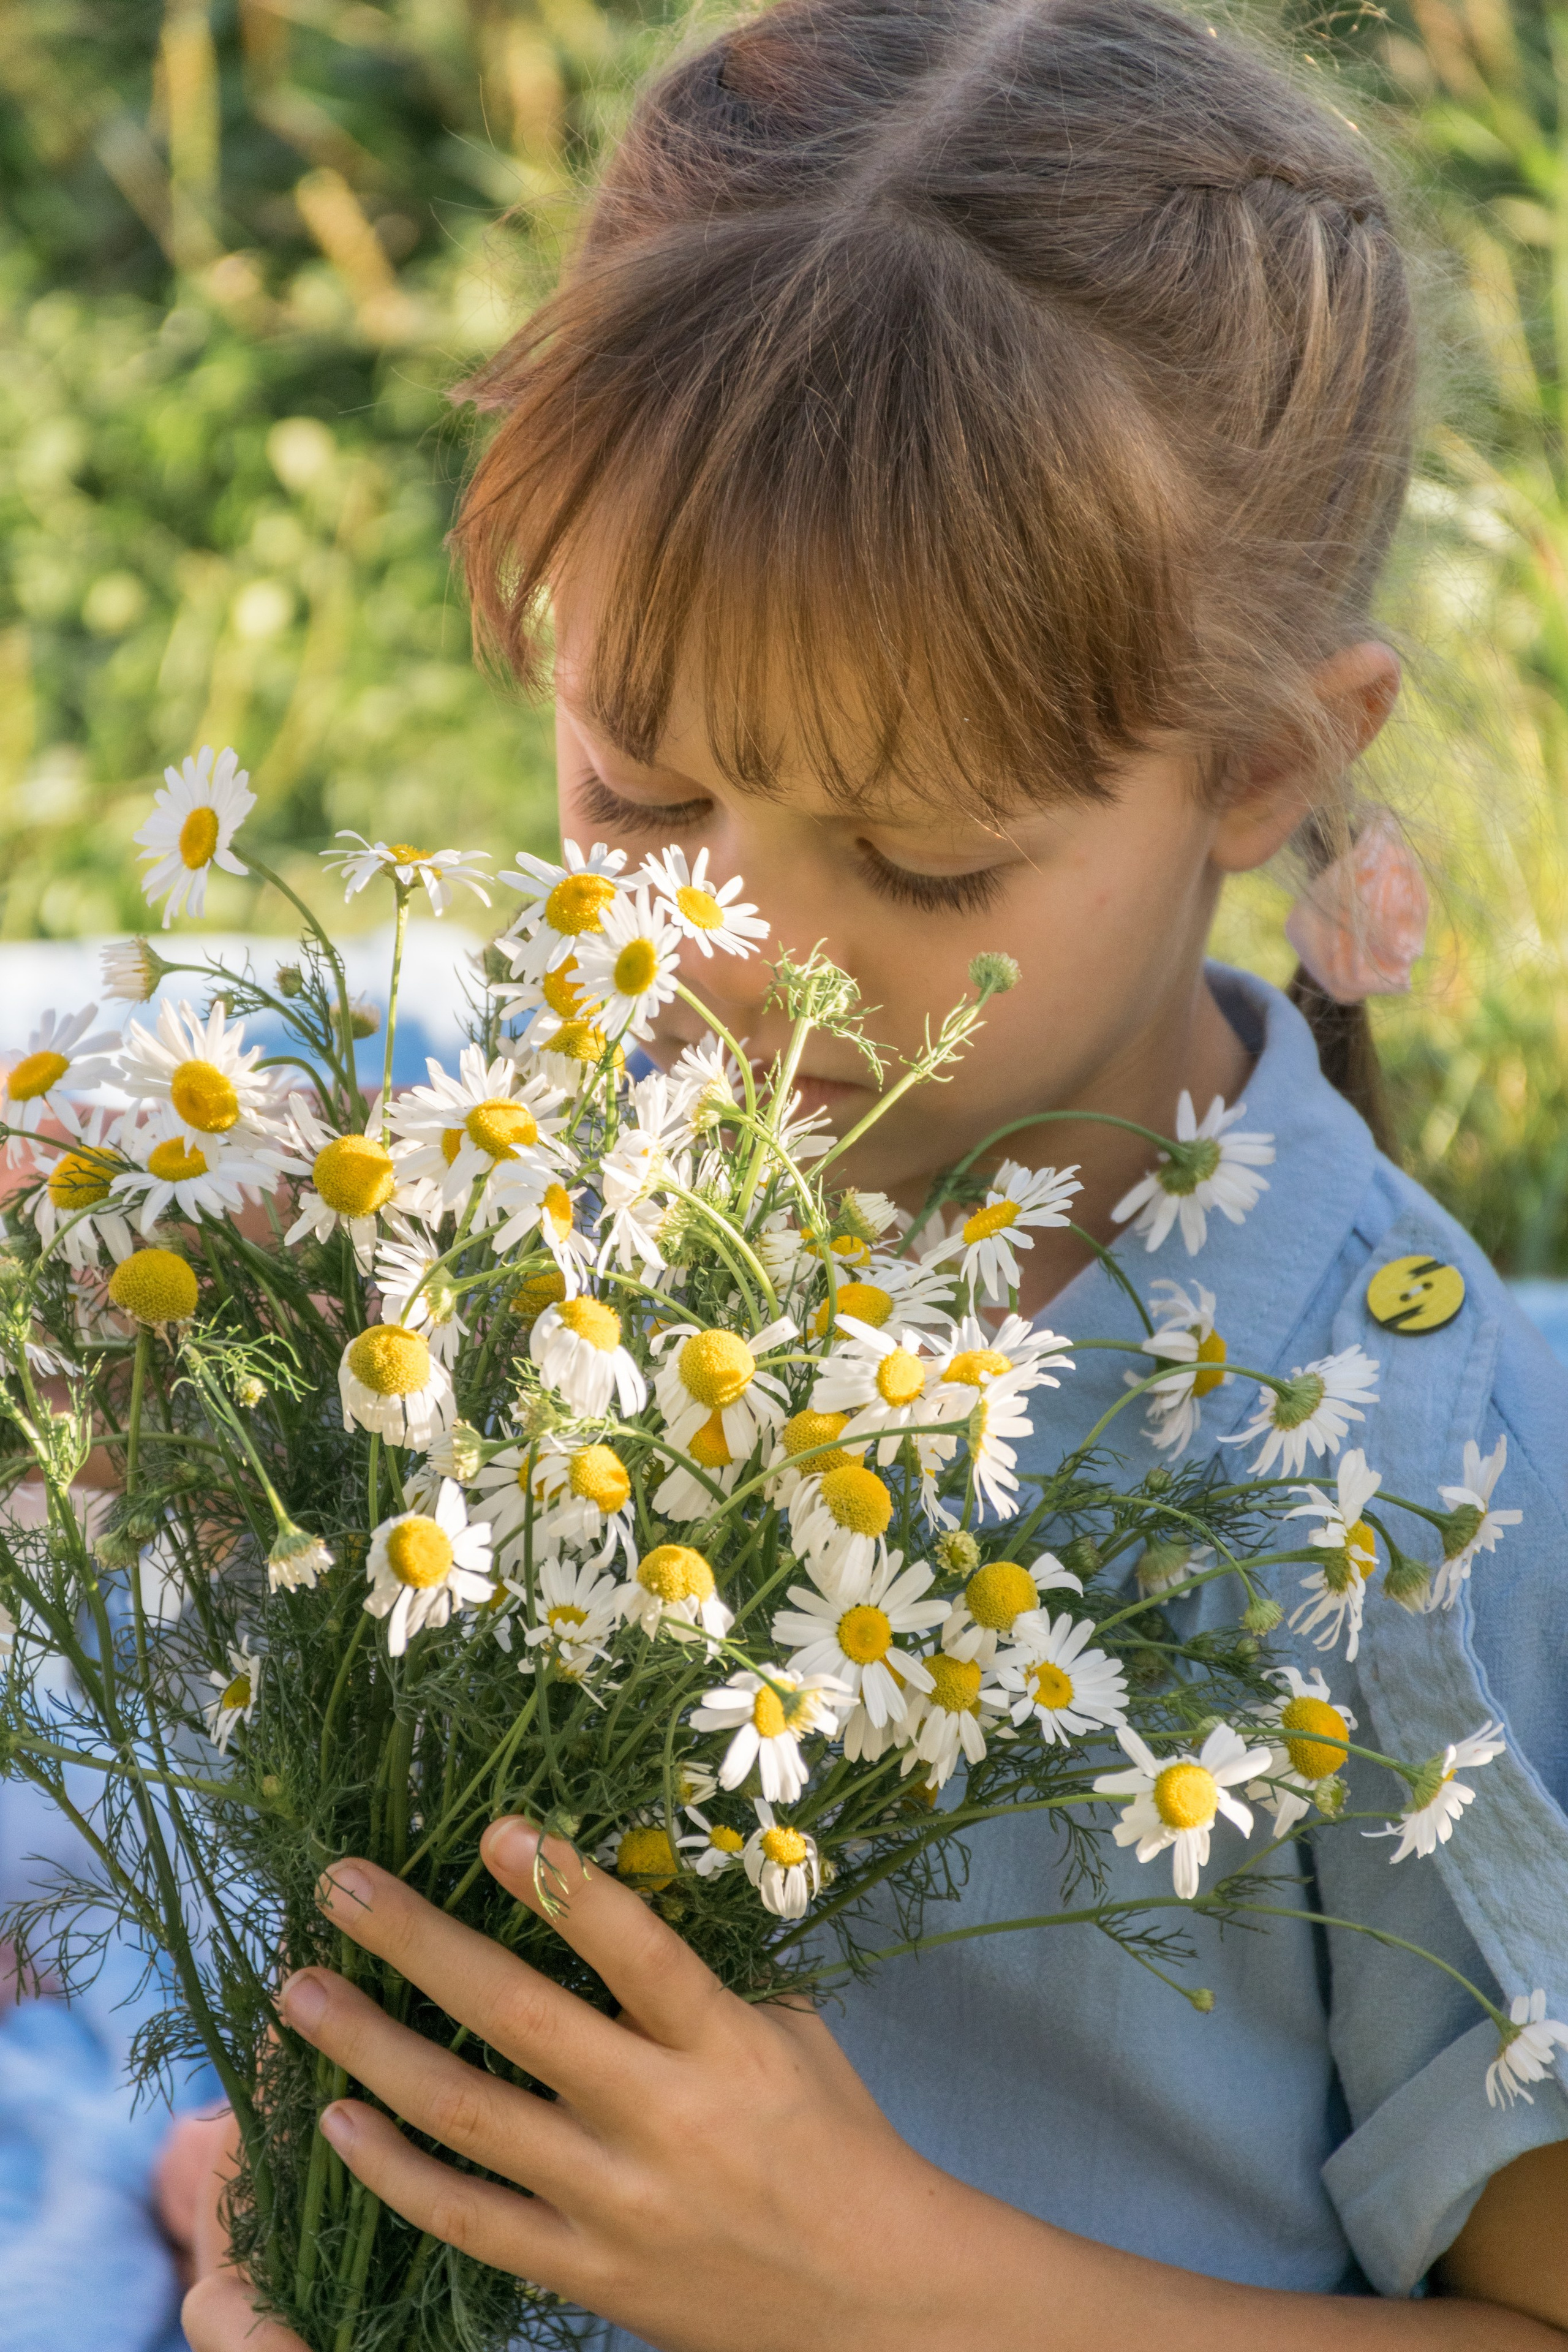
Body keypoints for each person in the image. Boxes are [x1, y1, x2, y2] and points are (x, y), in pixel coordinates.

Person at [183, 1, 1568, 2344]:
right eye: (640, 793)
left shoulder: (1416, 1499)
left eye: (923, 859)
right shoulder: (532, 1188)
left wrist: (868, 2282)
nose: (727, 951)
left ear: (1262, 768)